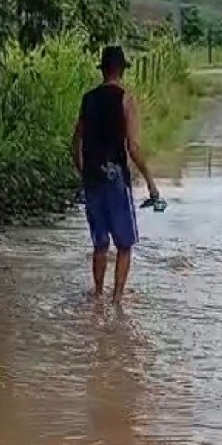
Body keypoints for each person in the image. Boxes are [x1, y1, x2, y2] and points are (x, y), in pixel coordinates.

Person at [72, 45, 160, 302]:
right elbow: (132, 147)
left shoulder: (87, 99)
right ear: (121, 69)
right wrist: (150, 182)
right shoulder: (126, 99)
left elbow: (74, 143)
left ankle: (98, 295)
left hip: (92, 179)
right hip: (115, 179)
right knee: (124, 243)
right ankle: (117, 299)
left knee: (100, 243)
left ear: (102, 70)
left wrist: (84, 172)